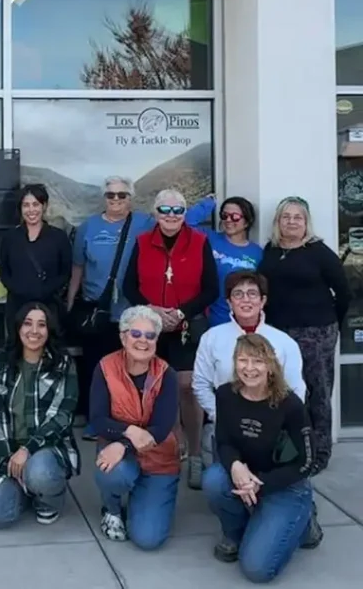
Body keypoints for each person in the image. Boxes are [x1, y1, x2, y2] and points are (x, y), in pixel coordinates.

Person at [67, 177, 212, 439]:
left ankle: (181, 446)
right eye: (111, 195)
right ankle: (107, 424)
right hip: (117, 315)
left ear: (130, 199)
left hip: (160, 319)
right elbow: (88, 270)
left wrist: (209, 204)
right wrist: (70, 304)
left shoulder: (159, 228)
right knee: (108, 370)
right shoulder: (101, 230)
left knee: (163, 379)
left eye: (122, 195)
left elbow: (178, 219)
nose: (116, 200)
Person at [202, 333, 323, 583]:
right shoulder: (225, 395)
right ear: (235, 363)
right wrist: (235, 466)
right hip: (245, 478)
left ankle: (304, 522)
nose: (249, 368)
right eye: (243, 360)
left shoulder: (290, 405)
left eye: (257, 361)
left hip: (284, 486)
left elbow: (308, 462)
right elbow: (223, 441)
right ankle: (235, 535)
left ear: (270, 366)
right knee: (214, 479)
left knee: (257, 570)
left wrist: (261, 482)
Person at [122, 188, 218, 490]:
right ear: (156, 213)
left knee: (188, 388)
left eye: (178, 211)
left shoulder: (200, 241)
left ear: (186, 214)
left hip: (187, 324)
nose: (171, 216)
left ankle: (194, 454)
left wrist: (180, 312)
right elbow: (129, 287)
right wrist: (149, 309)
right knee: (161, 389)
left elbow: (211, 289)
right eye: (165, 210)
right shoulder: (141, 242)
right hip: (151, 327)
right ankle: (173, 449)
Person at [258, 196, 349, 474]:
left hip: (315, 331)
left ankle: (320, 451)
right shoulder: (271, 250)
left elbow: (344, 292)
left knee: (317, 390)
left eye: (298, 217)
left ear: (306, 222)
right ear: (278, 221)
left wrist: (333, 323)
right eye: (286, 217)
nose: (292, 222)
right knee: (281, 390)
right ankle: (289, 446)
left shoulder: (318, 252)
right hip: (277, 331)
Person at [0, 302, 80, 530]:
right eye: (27, 323)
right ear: (17, 328)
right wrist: (7, 458)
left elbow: (61, 417)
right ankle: (25, 488)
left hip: (46, 448)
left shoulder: (63, 364)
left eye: (41, 325)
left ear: (49, 330)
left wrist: (27, 450)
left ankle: (49, 500)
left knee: (40, 472)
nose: (34, 331)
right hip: (9, 449)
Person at [90, 306, 180, 550]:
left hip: (159, 461)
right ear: (123, 336)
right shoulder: (105, 367)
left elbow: (161, 428)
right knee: (114, 472)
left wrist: (123, 443)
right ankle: (112, 509)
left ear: (157, 341)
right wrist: (128, 433)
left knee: (147, 539)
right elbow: (97, 419)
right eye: (135, 334)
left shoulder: (167, 374)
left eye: (150, 336)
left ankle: (145, 496)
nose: (143, 341)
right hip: (121, 458)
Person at [193, 271, 306, 461]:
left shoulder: (284, 342)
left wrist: (280, 422)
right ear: (229, 302)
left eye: (252, 293)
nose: (246, 300)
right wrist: (219, 416)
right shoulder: (212, 338)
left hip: (272, 427)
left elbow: (296, 388)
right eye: (238, 294)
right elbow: (200, 384)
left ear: (262, 301)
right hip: (227, 428)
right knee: (217, 483)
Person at [0, 183, 71, 337]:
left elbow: (65, 273)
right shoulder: (10, 238)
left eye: (35, 204)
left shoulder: (58, 237)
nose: (31, 210)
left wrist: (43, 292)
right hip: (17, 307)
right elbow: (4, 272)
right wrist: (20, 291)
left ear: (44, 206)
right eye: (26, 205)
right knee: (16, 349)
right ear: (20, 208)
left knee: (49, 349)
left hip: (48, 306)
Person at [199, 196, 263, 328]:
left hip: (244, 320)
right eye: (224, 215)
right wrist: (208, 203)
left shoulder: (257, 252)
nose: (228, 220)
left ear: (247, 221)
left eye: (235, 217)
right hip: (213, 319)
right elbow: (186, 223)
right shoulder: (210, 239)